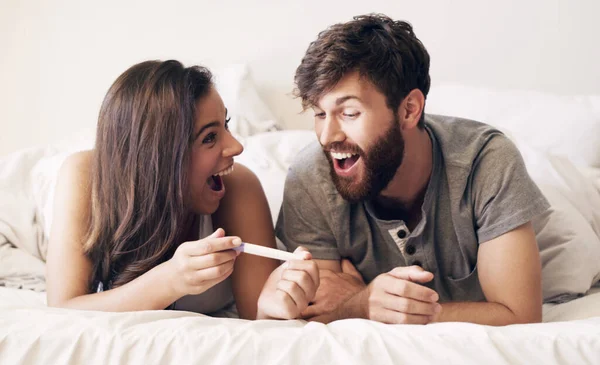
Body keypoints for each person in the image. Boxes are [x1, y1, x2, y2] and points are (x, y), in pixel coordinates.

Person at [276, 14, 550, 325]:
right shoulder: (310, 178)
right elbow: (317, 313)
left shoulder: (486, 161)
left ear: (409, 110)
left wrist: (376, 304)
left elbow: (520, 315)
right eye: (319, 114)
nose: (327, 137)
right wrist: (361, 304)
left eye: (349, 113)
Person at [46, 60, 319, 320]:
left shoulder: (239, 186)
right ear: (157, 156)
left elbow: (259, 315)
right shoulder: (84, 175)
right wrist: (170, 280)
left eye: (225, 125)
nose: (236, 146)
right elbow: (63, 308)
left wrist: (276, 304)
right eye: (209, 137)